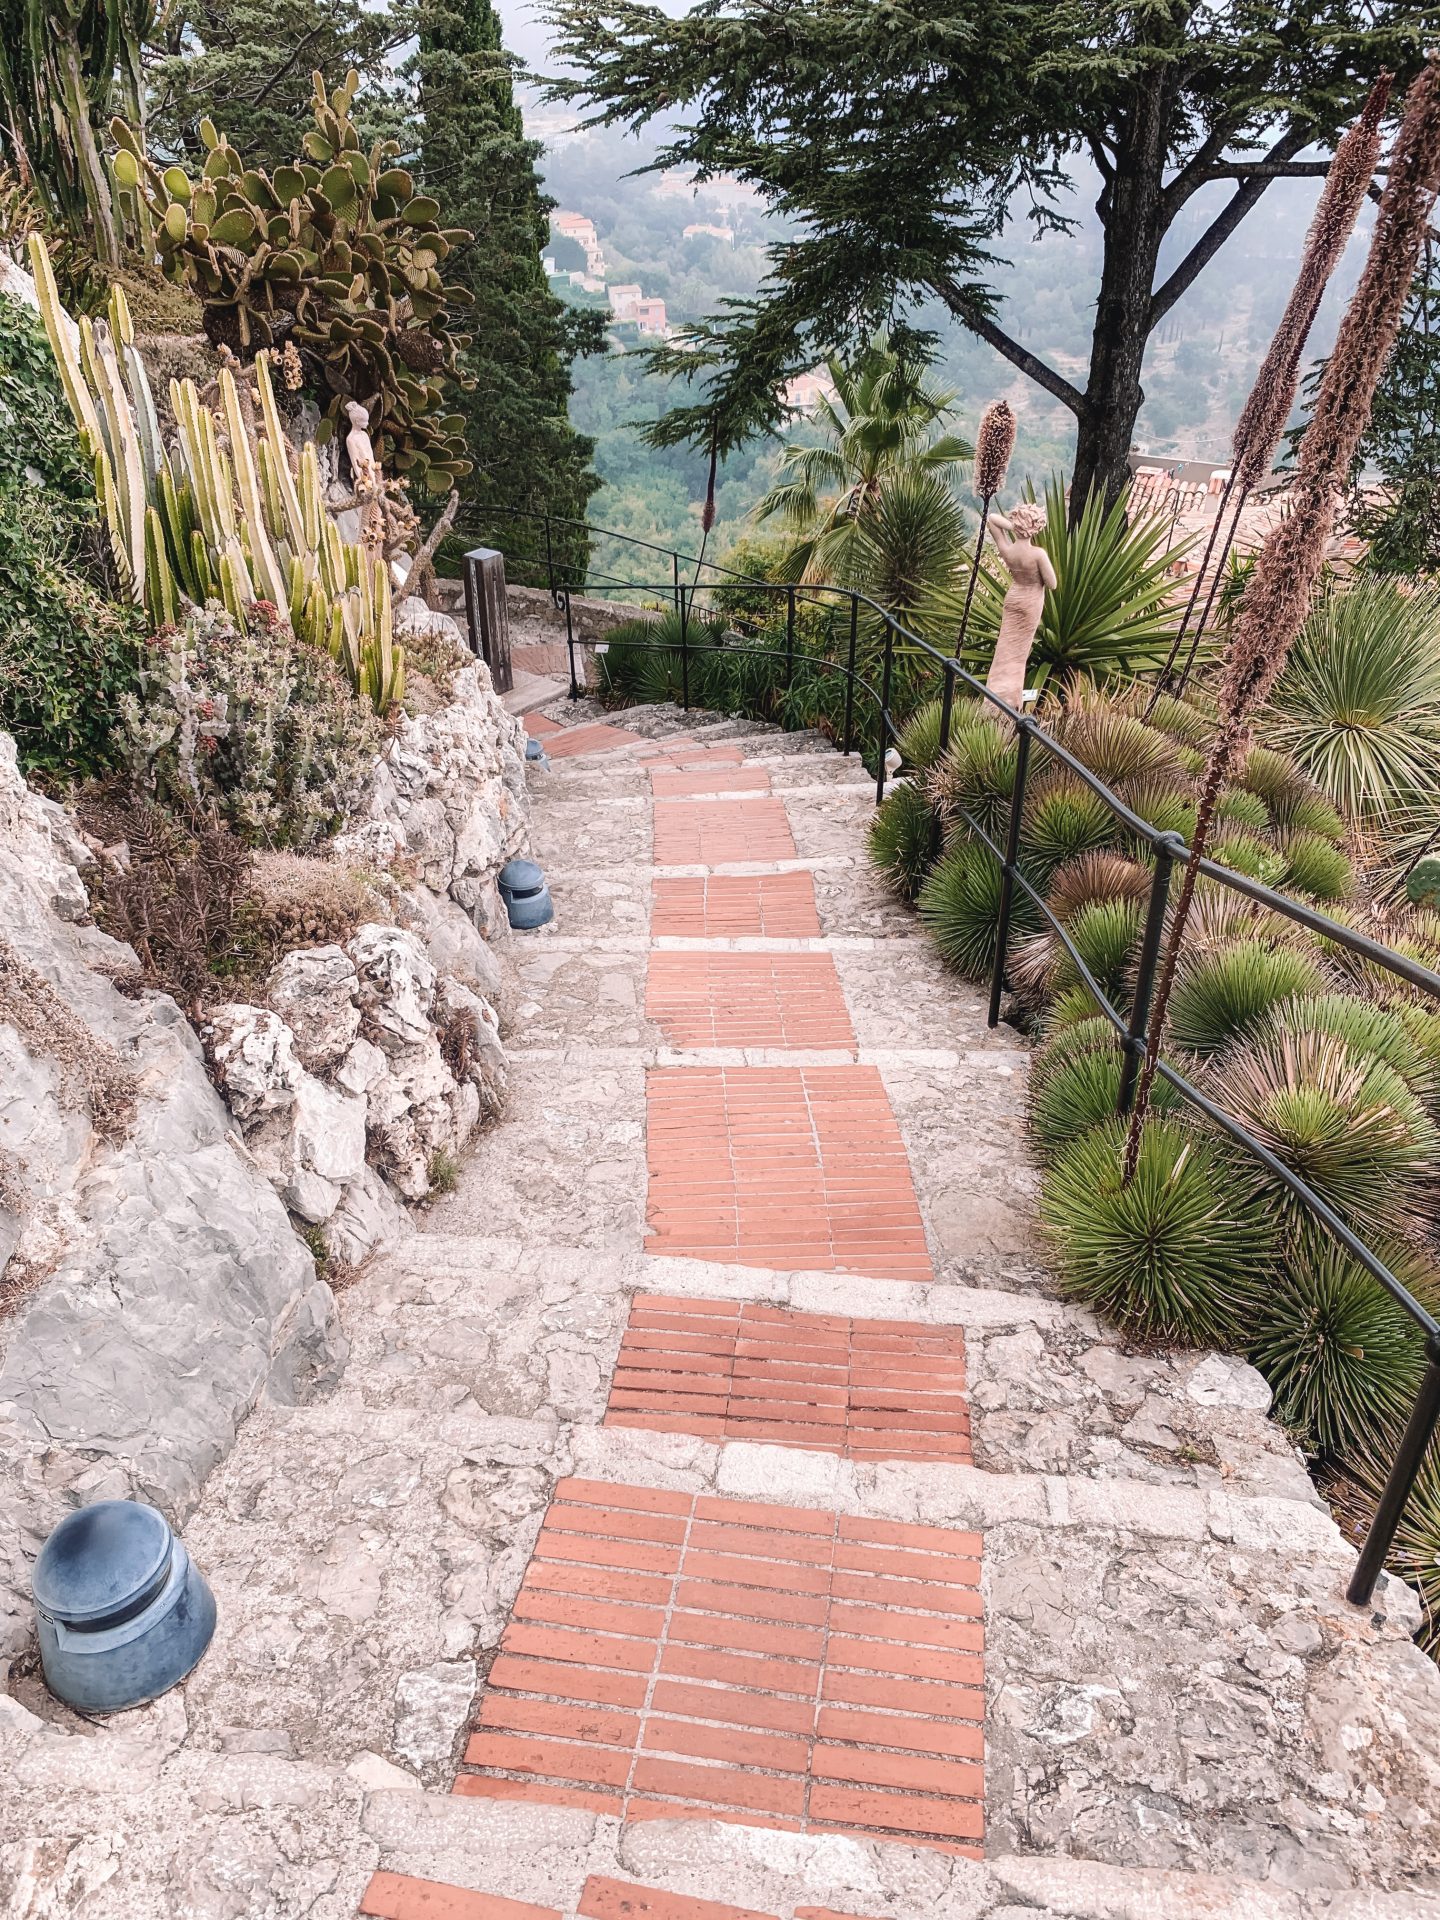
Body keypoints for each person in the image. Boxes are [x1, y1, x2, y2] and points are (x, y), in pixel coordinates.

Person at [984, 501, 1056, 707]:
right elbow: (1052, 583)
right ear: (1036, 526)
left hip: (1013, 597)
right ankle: (1010, 701)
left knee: (1004, 649)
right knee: (1018, 655)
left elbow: (992, 520)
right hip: (1030, 602)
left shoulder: (1008, 549)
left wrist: (1013, 527)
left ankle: (993, 696)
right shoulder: (1038, 554)